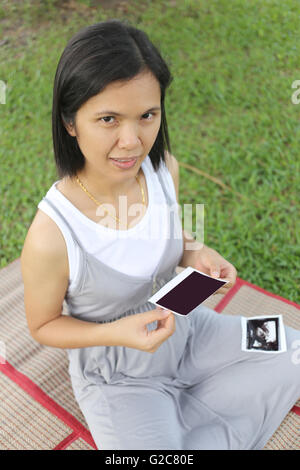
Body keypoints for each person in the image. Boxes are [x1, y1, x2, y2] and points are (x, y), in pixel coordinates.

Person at [20, 19, 300, 450]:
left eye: (147, 115)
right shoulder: (52, 234)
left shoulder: (163, 169)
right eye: (109, 119)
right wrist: (117, 333)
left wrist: (195, 251)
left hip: (188, 330)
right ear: (71, 121)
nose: (131, 141)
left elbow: (170, 233)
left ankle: (188, 411)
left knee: (293, 348)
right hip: (118, 375)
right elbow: (43, 325)